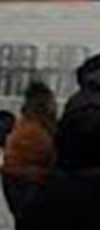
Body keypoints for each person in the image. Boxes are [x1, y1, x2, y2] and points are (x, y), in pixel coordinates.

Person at [3, 83, 59, 220]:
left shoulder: (29, 125)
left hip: (21, 185)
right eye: (51, 101)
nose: (55, 105)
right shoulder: (32, 131)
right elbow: (51, 157)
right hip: (28, 187)